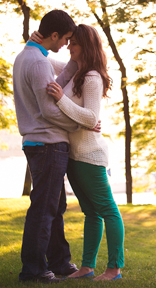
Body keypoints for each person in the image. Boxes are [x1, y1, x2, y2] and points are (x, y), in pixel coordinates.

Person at [32, 24, 125, 281]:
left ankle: (114, 268)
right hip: (74, 156)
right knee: (91, 213)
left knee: (107, 210)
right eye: (69, 42)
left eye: (73, 43)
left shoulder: (93, 77)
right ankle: (86, 268)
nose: (69, 46)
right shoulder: (77, 72)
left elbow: (91, 117)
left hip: (90, 156)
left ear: (85, 45)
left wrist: (61, 98)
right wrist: (34, 43)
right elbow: (45, 62)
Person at [13, 10, 82, 283]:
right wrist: (78, 124)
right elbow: (49, 112)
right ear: (54, 35)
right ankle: (33, 269)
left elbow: (66, 69)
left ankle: (60, 261)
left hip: (39, 143)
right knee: (44, 209)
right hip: (48, 143)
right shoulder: (38, 63)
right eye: (65, 38)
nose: (66, 44)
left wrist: (80, 59)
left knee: (54, 206)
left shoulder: (27, 56)